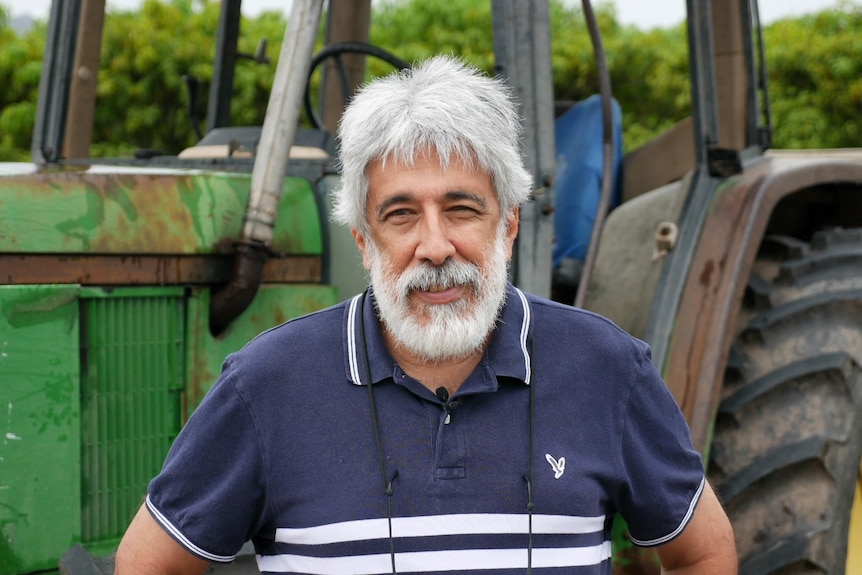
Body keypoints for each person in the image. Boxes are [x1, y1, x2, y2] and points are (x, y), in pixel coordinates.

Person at [116, 55, 737, 574]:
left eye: (462, 208)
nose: (435, 247)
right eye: (401, 214)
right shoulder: (265, 385)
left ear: (510, 224)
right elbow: (148, 563)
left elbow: (703, 552)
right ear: (364, 241)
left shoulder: (607, 370)